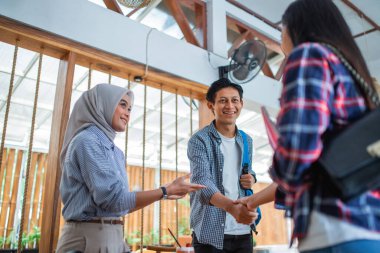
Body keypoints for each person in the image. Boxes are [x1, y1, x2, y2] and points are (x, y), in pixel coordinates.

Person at [236, 0, 380, 252]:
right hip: (368, 226)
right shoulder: (357, 77)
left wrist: (280, 162)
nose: (281, 39)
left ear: (294, 28)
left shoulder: (309, 55)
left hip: (333, 227)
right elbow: (325, 165)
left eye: (282, 31)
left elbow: (298, 154)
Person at [56, 83, 205, 253]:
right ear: (102, 104)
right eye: (122, 105)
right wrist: (164, 190)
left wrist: (164, 193)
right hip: (88, 240)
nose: (128, 112)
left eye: (130, 108)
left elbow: (119, 205)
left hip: (112, 236)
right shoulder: (87, 140)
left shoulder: (115, 151)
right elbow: (113, 200)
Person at [188, 78, 259, 253]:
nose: (230, 106)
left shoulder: (246, 140)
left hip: (243, 231)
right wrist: (230, 207)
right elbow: (202, 183)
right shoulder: (199, 140)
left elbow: (245, 170)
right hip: (210, 233)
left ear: (241, 103)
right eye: (222, 100)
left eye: (234, 100)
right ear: (211, 105)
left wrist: (252, 178)